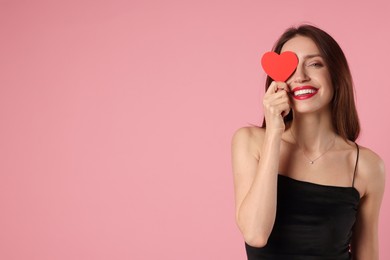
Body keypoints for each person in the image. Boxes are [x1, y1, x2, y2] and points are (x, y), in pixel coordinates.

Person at [231, 24, 385, 260]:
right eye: (290, 67)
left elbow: (367, 255)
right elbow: (256, 234)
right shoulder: (250, 142)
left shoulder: (367, 166)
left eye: (314, 64)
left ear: (335, 74)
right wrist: (274, 132)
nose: (300, 76)